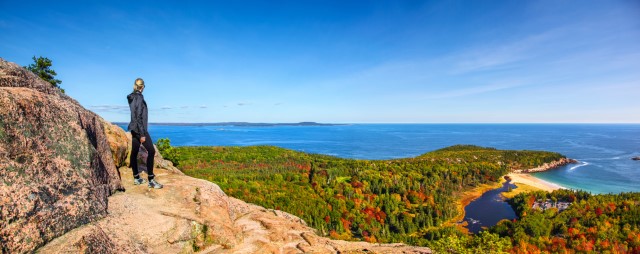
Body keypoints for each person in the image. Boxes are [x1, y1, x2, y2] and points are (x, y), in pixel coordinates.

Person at [127, 78, 163, 189]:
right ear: (142, 87)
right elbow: (138, 117)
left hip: (134, 128)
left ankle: (136, 177)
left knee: (134, 151)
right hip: (139, 129)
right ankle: (151, 180)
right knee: (151, 151)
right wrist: (142, 134)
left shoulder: (132, 97)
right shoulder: (139, 97)